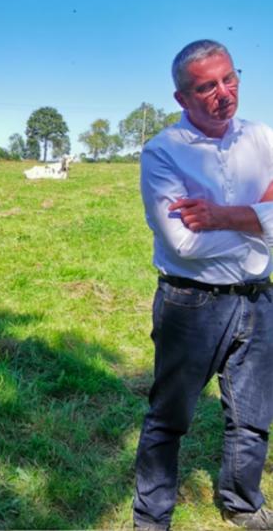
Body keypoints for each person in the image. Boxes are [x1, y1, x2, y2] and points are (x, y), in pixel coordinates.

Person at [134, 39, 273, 530]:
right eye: (206, 86)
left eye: (229, 78)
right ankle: (151, 519)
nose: (223, 93)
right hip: (192, 303)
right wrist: (262, 221)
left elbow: (205, 232)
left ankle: (240, 502)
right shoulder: (163, 152)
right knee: (169, 419)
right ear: (182, 99)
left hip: (259, 297)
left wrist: (220, 217)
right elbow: (183, 245)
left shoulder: (263, 138)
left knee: (254, 416)